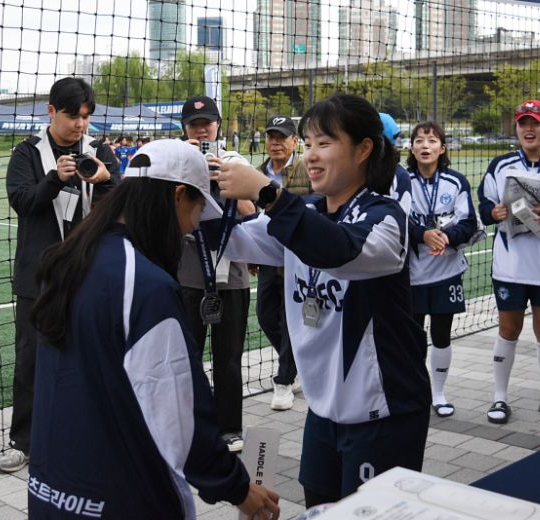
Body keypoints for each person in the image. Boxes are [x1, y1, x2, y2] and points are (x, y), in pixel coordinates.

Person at [27, 139, 280, 520]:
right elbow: (181, 416)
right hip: (125, 499)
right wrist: (238, 488)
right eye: (197, 211)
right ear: (179, 195)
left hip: (50, 490)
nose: (193, 227)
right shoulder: (145, 285)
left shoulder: (71, 259)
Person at [215, 94, 431, 507]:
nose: (311, 156)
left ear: (364, 148)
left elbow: (340, 250)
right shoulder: (308, 210)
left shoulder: (385, 217)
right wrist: (204, 190)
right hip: (323, 411)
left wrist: (267, 193)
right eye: (308, 143)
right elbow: (233, 242)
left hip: (383, 413)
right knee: (318, 506)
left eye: (324, 143)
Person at [1, 77, 121, 473]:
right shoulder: (28, 152)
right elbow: (22, 202)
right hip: (38, 275)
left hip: (87, 273)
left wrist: (104, 180)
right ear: (51, 111)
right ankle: (24, 440)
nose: (80, 125)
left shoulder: (98, 150)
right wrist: (56, 179)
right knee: (31, 359)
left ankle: (82, 431)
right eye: (73, 115)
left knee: (88, 354)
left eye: (86, 116)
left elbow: (120, 205)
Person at [477, 100, 540, 425]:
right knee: (508, 330)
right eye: (523, 123)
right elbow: (483, 207)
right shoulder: (500, 165)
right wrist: (494, 213)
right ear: (516, 128)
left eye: (535, 123)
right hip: (510, 266)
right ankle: (500, 398)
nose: (528, 129)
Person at [176, 95, 255, 453]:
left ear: (218, 126)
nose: (201, 128)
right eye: (194, 124)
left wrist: (225, 176)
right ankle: (190, 421)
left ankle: (230, 427)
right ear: (184, 129)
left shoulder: (235, 161)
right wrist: (187, 169)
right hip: (189, 274)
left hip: (232, 274)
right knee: (186, 356)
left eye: (207, 122)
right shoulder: (173, 161)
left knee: (229, 359)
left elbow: (251, 209)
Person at [406, 121, 479, 418]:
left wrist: (446, 237)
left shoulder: (456, 181)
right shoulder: (400, 180)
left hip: (446, 271)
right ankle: (415, 393)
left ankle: (439, 393)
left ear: (442, 148)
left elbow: (469, 223)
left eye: (432, 140)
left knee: (442, 333)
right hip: (410, 273)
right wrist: (422, 234)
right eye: (419, 140)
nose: (425, 145)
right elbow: (394, 220)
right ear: (411, 147)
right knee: (411, 336)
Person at [255, 115, 312, 411]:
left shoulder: (306, 172)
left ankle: (284, 380)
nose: (275, 143)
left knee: (290, 318)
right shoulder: (256, 172)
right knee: (265, 314)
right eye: (271, 137)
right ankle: (299, 362)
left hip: (297, 258)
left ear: (294, 142)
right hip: (267, 257)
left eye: (282, 137)